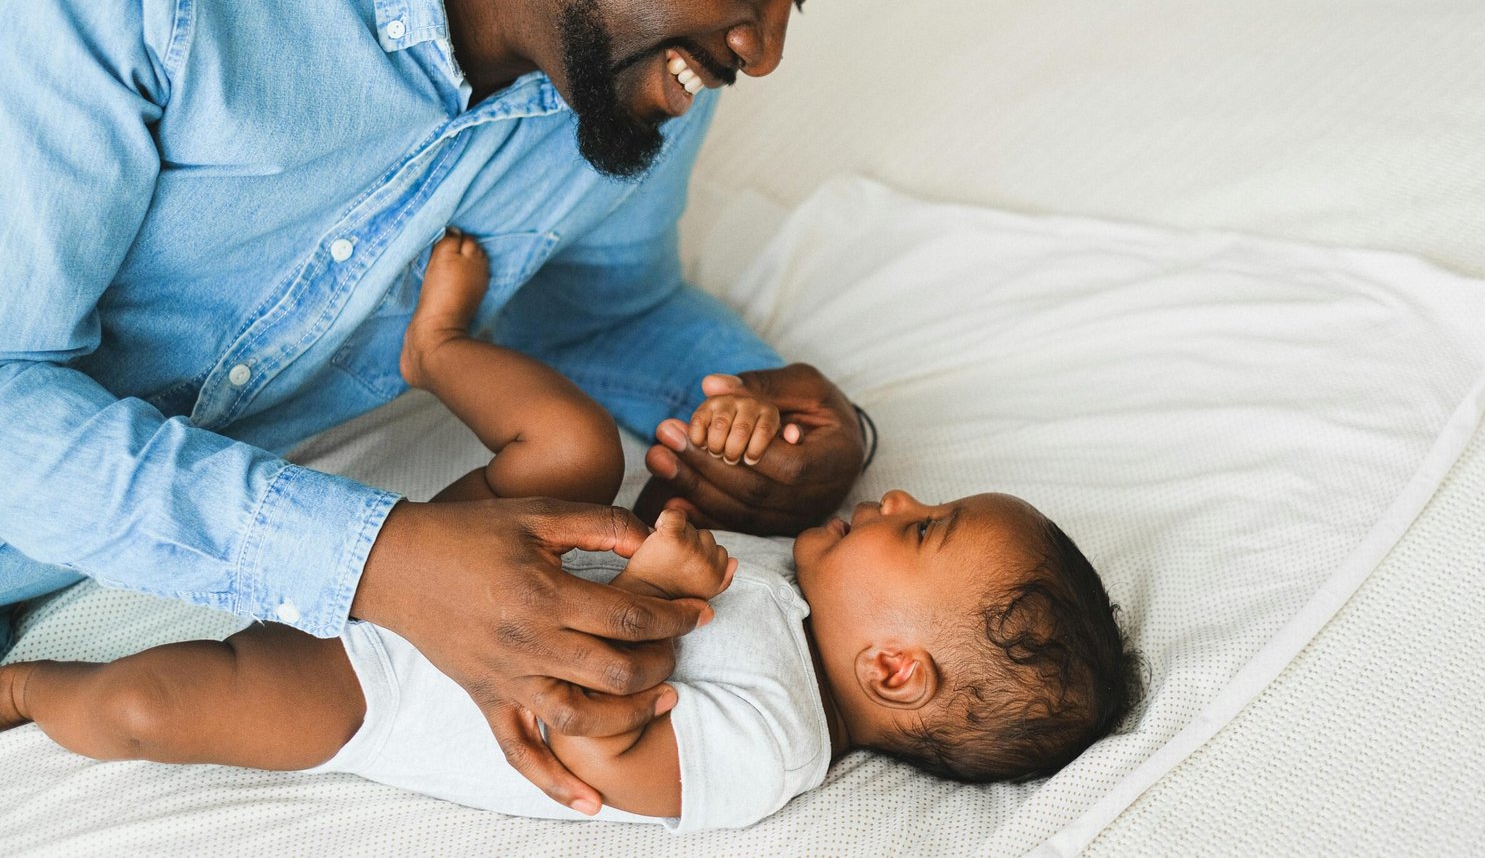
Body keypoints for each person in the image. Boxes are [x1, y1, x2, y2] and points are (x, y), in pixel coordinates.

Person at [0, 0, 977, 814]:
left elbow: (595, 308)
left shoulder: (643, 70)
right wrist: (376, 559)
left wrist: (776, 418)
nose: (764, 49)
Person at [0, 233, 1142, 831]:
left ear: (892, 667)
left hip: (377, 684)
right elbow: (661, 490)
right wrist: (732, 429)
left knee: (149, 706)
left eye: (924, 528)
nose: (896, 499)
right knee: (579, 448)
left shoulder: (768, 753)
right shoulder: (793, 588)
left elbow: (594, 742)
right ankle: (436, 348)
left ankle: (32, 688)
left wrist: (656, 569)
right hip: (466, 554)